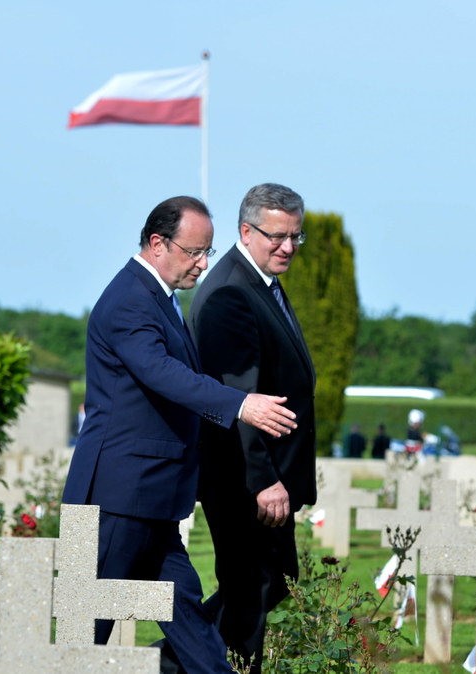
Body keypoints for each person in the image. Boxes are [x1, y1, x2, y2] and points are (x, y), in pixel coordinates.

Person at [60, 195, 297, 674]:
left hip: (153, 498)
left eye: (208, 251)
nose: (204, 263)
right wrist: (240, 403)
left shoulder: (160, 299)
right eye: (195, 252)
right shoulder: (129, 299)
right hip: (116, 497)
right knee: (83, 636)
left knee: (189, 620)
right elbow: (161, 372)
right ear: (157, 243)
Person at [191, 183, 316, 673]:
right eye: (277, 236)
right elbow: (238, 399)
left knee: (270, 582)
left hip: (265, 476)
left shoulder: (258, 281)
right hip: (245, 478)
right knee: (251, 593)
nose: (287, 247)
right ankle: (174, 663)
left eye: (295, 237)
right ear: (246, 230)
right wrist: (263, 479)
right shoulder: (229, 293)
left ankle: (176, 661)